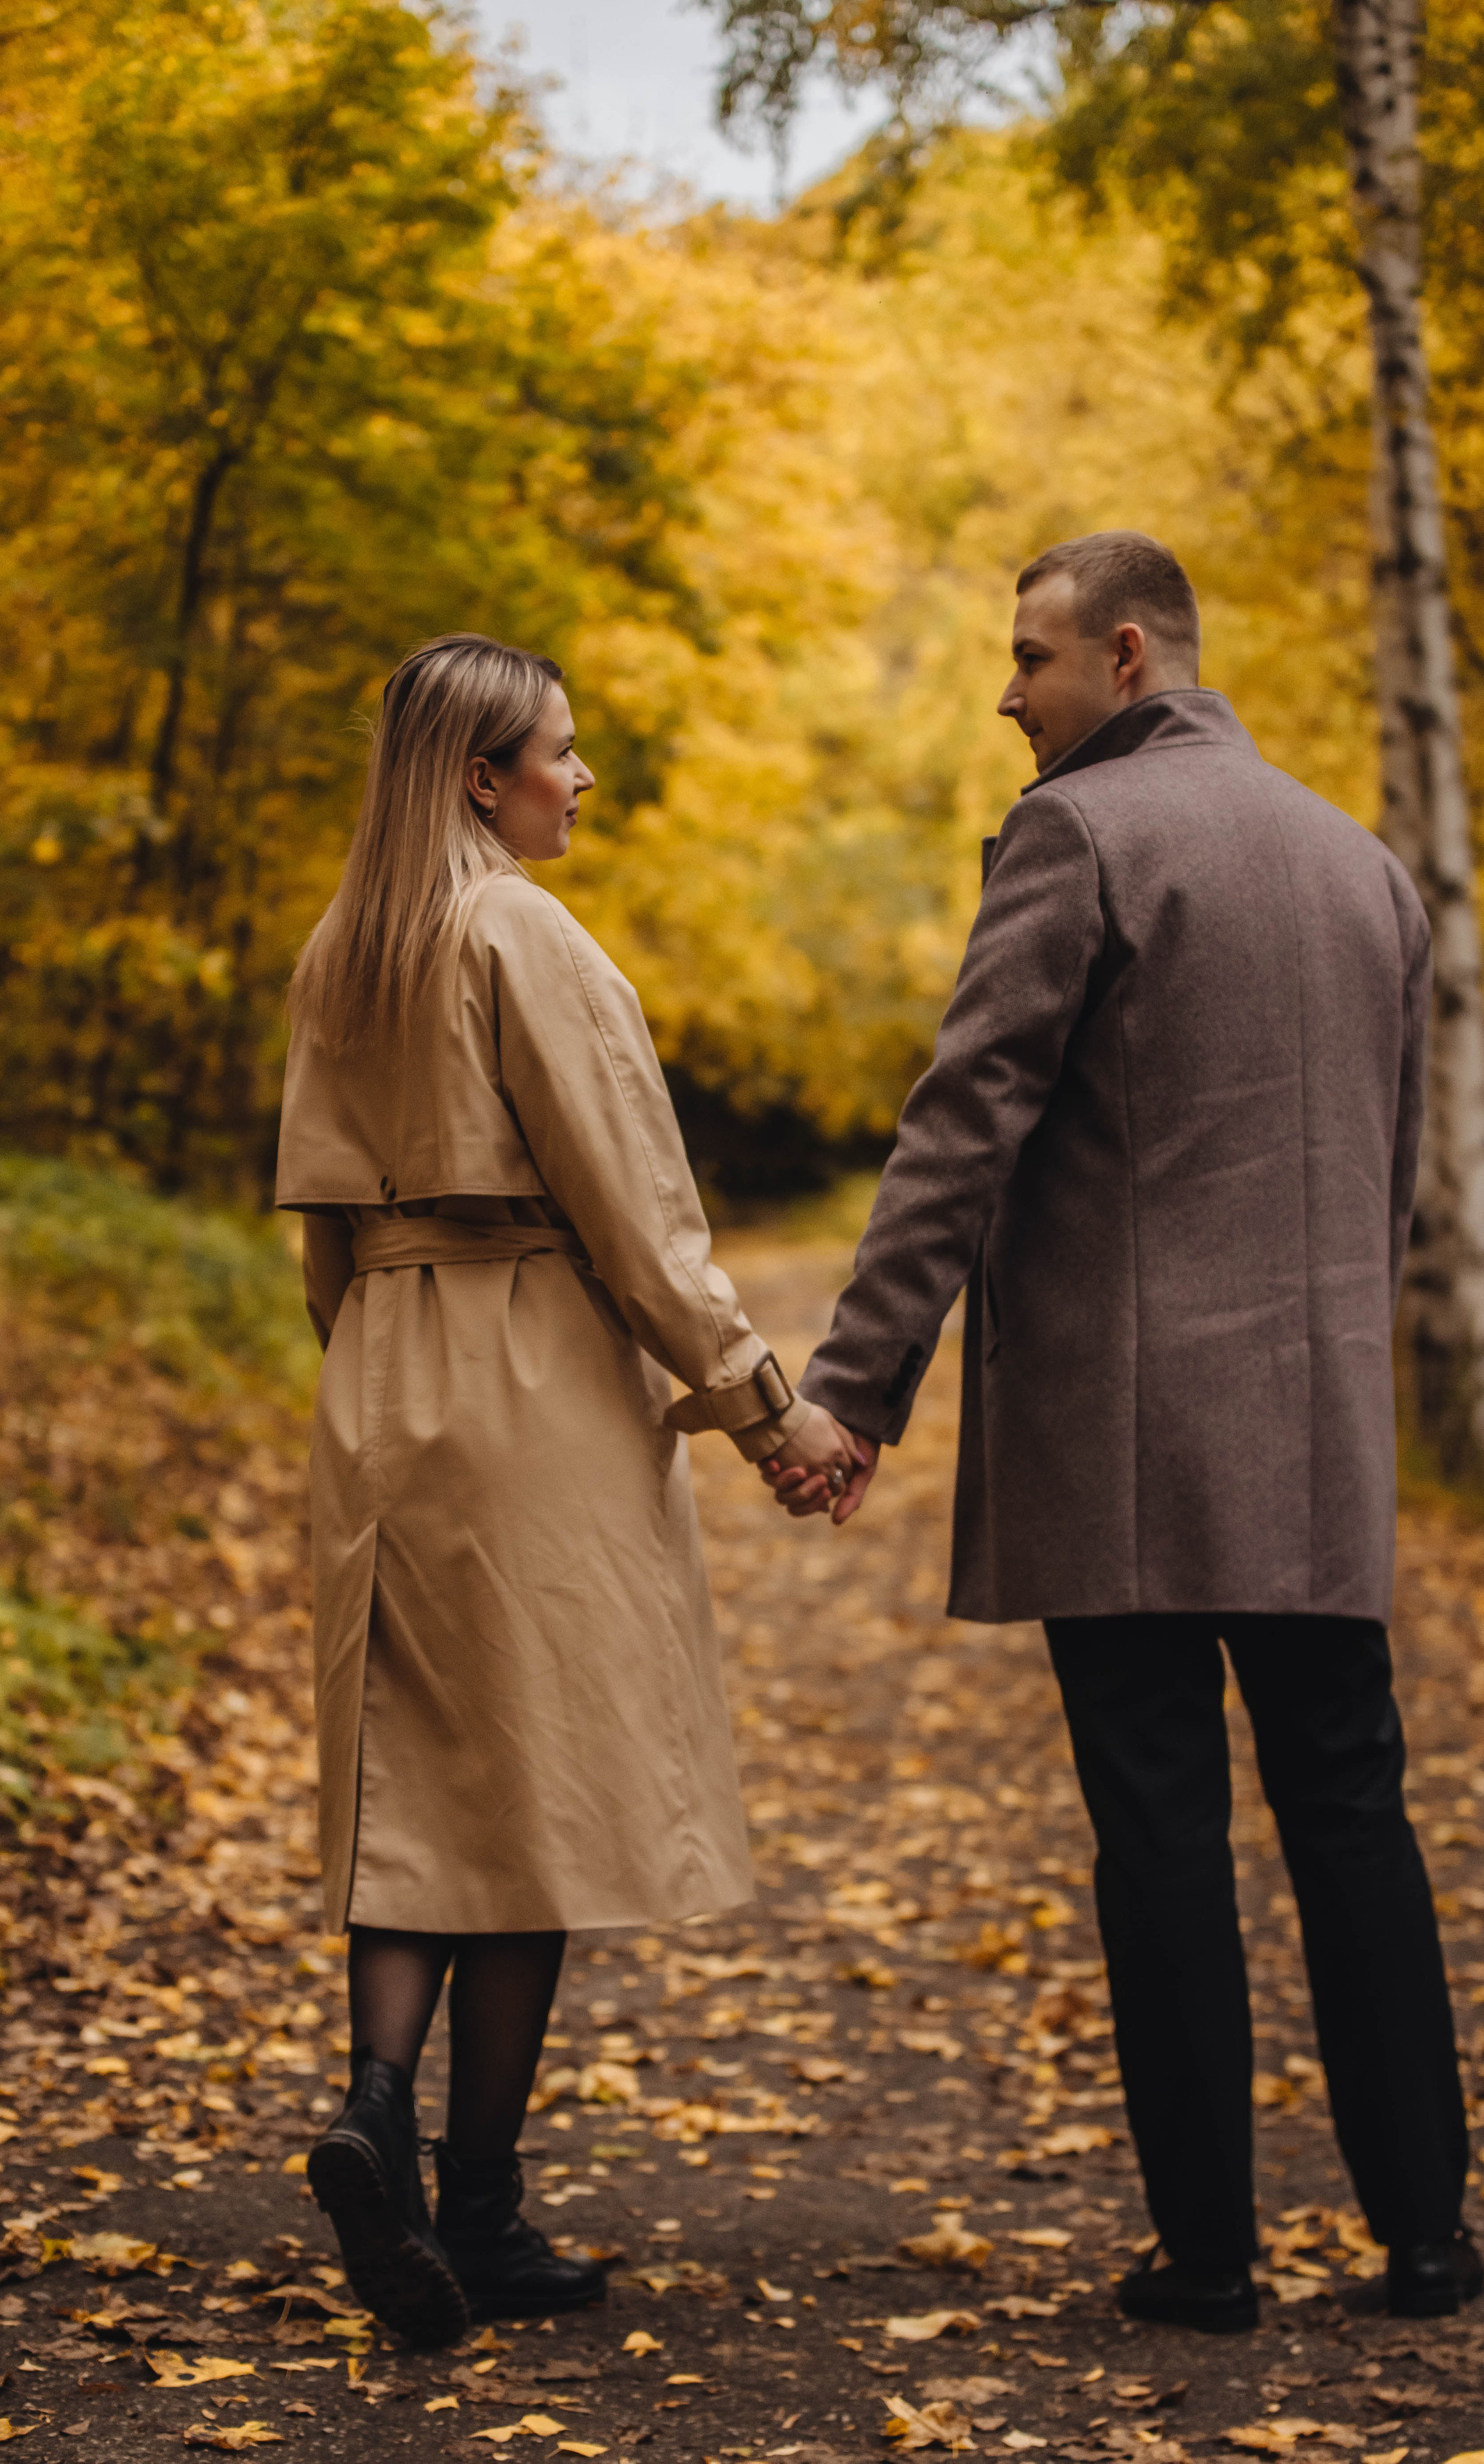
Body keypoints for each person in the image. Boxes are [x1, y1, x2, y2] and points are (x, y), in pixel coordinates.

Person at [774, 533, 1479, 2334]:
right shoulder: (1366, 866)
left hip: (1131, 1441)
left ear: (1129, 653)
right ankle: (1427, 2238)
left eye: (1032, 657)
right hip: (1318, 1433)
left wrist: (855, 1386)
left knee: (1161, 1829)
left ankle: (1212, 2259)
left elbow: (963, 1125)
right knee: (1353, 1811)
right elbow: (1389, 1182)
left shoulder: (1079, 835)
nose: (1010, 694)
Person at [275, 633, 859, 2347]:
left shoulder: (343, 947)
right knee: (526, 1797)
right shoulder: (519, 932)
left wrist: (377, 1368)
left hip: (380, 1371)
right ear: (483, 776)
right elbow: (636, 1207)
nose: (582, 778)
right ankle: (481, 2207)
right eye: (561, 751)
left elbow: (321, 1239)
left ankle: (373, 2106)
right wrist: (761, 1408)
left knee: (412, 1778)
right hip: (529, 1371)